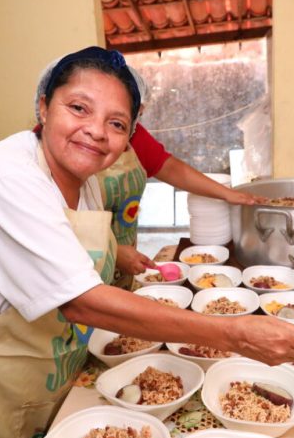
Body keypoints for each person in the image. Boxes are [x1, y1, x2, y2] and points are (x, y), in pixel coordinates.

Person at [0, 46, 294, 438]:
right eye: (79, 108)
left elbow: (55, 236)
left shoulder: (84, 178)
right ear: (43, 107)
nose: (96, 131)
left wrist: (116, 252)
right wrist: (234, 335)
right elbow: (79, 300)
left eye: (115, 123)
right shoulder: (6, 177)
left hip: (34, 357)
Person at [94, 66, 262, 281]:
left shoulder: (134, 135)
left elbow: (171, 168)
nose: (99, 131)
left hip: (123, 265)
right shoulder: (60, 149)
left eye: (129, 116)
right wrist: (112, 250)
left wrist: (227, 194)